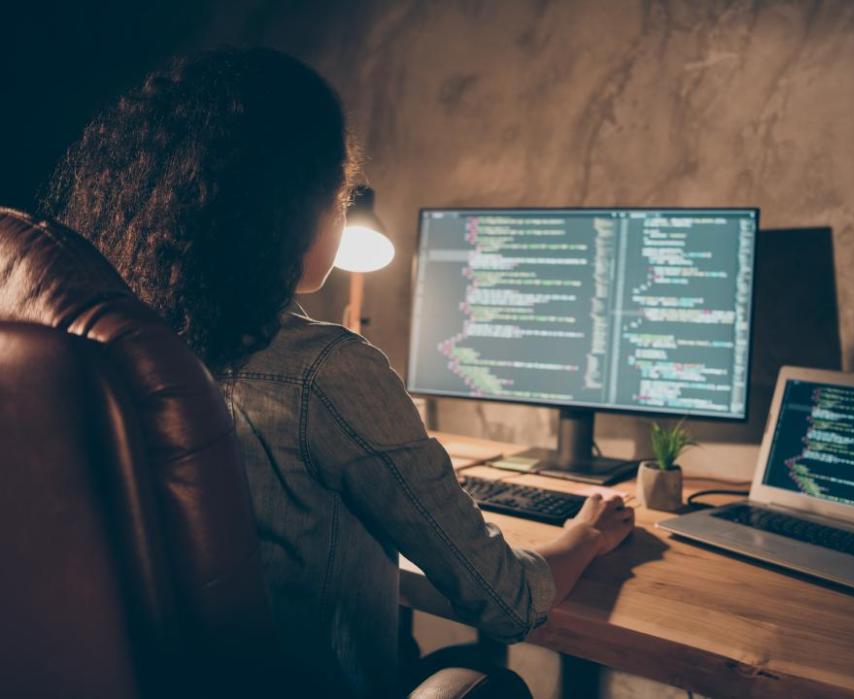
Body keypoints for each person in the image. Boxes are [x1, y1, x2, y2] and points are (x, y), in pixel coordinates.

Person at [40, 47, 635, 697]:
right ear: (290, 210)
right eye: (339, 192)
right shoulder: (323, 372)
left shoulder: (106, 351)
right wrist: (586, 535)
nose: (342, 209)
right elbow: (506, 599)